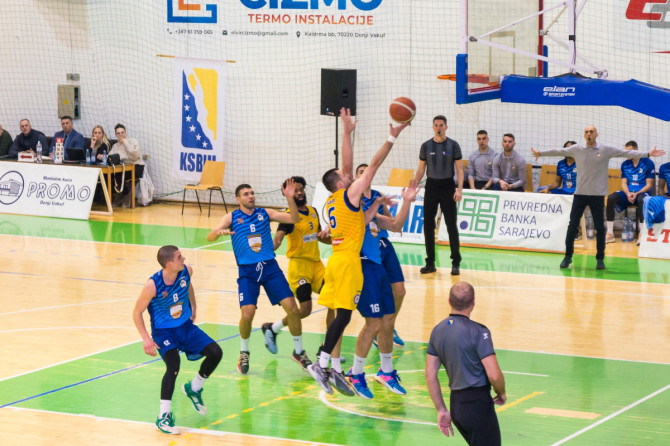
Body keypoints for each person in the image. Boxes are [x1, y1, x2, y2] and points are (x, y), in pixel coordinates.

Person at [307, 107, 409, 395]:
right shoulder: (349, 194)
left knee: (342, 315)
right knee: (346, 316)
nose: (350, 174)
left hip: (340, 260)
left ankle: (329, 366)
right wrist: (392, 137)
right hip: (351, 262)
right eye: (346, 175)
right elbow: (373, 165)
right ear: (341, 183)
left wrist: (347, 132)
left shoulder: (334, 200)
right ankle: (325, 365)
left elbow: (347, 167)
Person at [207, 180, 313, 375]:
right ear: (238, 198)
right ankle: (244, 352)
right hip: (248, 272)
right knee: (247, 314)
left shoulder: (265, 213)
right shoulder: (231, 217)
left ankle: (299, 352)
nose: (251, 196)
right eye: (246, 194)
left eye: (252, 193)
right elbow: (210, 236)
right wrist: (218, 232)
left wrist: (290, 198)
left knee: (292, 308)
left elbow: (294, 218)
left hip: (270, 268)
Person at [531, 126, 665, 270]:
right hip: (580, 194)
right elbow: (558, 151)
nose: (589, 134)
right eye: (586, 132)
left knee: (600, 228)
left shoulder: (605, 149)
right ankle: (568, 256)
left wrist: (648, 154)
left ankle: (600, 259)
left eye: (591, 131)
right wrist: (540, 153)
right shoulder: (577, 149)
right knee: (572, 225)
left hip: (597, 195)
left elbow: (626, 152)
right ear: (584, 135)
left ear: (596, 134)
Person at [132, 245, 223, 435]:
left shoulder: (186, 271)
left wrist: (194, 306)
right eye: (179, 257)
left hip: (185, 327)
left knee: (215, 353)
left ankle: (194, 388)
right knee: (173, 365)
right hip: (164, 332)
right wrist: (146, 339)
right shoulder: (152, 285)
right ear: (169, 264)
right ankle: (163, 417)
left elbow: (188, 285)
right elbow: (137, 312)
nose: (184, 258)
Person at [349, 177, 419, 399]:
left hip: (377, 264)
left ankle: (386, 372)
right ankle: (355, 373)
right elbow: (360, 221)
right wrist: (377, 204)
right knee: (374, 323)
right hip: (361, 266)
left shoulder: (372, 211)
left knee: (388, 319)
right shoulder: (351, 209)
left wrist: (407, 201)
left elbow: (396, 225)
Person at [425, 281, 506, 445]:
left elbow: (430, 374)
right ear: (474, 301)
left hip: (456, 406)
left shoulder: (437, 330)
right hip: (477, 405)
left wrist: (441, 410)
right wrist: (501, 392)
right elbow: (494, 375)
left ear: (449, 301)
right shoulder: (478, 331)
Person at [263, 176, 330, 368]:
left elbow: (319, 236)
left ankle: (328, 347)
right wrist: (266, 250)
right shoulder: (287, 217)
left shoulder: (313, 211)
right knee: (305, 310)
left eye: (301, 189)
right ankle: (276, 330)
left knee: (333, 300)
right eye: (295, 190)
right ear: (288, 194)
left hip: (317, 265)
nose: (300, 193)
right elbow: (277, 240)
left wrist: (332, 239)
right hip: (299, 268)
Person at [356, 164, 408, 348]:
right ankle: (375, 329)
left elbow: (390, 221)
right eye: (361, 172)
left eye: (367, 171)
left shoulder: (378, 195)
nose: (365, 174)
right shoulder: (354, 198)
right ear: (356, 177)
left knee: (400, 291)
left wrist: (388, 209)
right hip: (367, 251)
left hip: (384, 244)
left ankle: (389, 326)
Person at [413, 115, 463, 276]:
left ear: (446, 127)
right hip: (431, 186)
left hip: (448, 186)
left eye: (441, 125)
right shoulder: (426, 146)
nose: (439, 128)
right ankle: (430, 263)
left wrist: (459, 189)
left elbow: (460, 170)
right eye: (436, 125)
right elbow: (421, 169)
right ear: (433, 127)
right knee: (428, 225)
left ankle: (455, 262)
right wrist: (414, 183)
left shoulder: (453, 145)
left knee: (451, 225)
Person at [605, 141, 656, 243]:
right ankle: (610, 234)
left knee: (642, 200)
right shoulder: (625, 164)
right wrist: (628, 193)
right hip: (628, 193)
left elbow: (649, 185)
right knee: (611, 198)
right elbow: (624, 183)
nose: (626, 153)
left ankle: (642, 234)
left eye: (629, 151)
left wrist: (636, 193)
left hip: (641, 193)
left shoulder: (648, 163)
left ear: (636, 151)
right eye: (625, 151)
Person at [110, 123, 145, 206]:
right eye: (118, 133)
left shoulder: (133, 141)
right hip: (123, 167)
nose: (121, 135)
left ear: (125, 132)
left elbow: (135, 156)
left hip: (136, 166)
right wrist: (104, 157)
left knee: (120, 175)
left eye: (122, 132)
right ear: (116, 135)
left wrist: (126, 143)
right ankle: (119, 196)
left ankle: (126, 195)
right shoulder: (115, 146)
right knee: (112, 175)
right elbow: (110, 156)